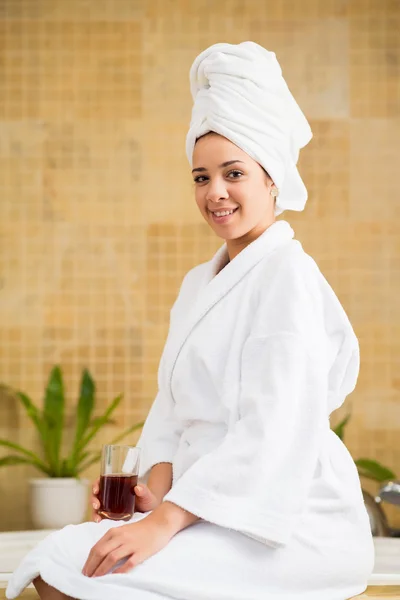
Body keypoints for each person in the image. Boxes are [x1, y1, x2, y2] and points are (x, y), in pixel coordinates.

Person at [6, 41, 374, 600]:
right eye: (201, 178)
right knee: (61, 559)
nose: (216, 193)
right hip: (204, 508)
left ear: (271, 177)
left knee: (80, 572)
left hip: (288, 521)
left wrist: (164, 522)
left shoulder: (287, 277)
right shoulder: (199, 284)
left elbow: (272, 433)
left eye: (234, 173)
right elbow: (172, 410)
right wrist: (150, 498)